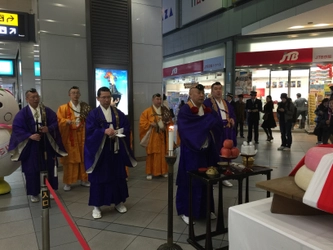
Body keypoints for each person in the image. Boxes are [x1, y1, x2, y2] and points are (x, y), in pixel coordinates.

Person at [84, 87, 136, 219]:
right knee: (99, 179)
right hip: (100, 153)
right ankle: (97, 206)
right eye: (103, 97)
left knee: (117, 177)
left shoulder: (118, 114)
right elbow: (90, 132)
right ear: (98, 98)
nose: (106, 100)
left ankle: (118, 202)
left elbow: (127, 127)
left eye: (108, 97)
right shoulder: (93, 114)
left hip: (115, 151)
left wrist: (117, 132)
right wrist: (103, 132)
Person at [8, 88, 67, 203]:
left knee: (49, 167)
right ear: (27, 99)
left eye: (37, 97)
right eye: (32, 97)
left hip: (46, 143)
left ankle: (51, 190)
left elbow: (55, 122)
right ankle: (34, 193)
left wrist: (48, 128)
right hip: (30, 146)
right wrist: (29, 136)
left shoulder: (46, 111)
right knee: (31, 169)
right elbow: (17, 128)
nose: (35, 99)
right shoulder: (22, 113)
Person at [176, 83, 219, 224]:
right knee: (190, 181)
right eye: (198, 93)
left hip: (205, 151)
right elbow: (186, 129)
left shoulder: (206, 109)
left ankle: (206, 210)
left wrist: (210, 120)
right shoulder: (185, 110)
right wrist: (206, 123)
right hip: (191, 151)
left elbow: (215, 123)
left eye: (202, 93)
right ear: (190, 94)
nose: (201, 95)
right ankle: (186, 211)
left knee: (206, 179)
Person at [57, 86, 91, 191]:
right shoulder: (63, 108)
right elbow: (58, 120)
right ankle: (68, 182)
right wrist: (65, 122)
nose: (75, 95)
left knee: (83, 158)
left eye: (77, 93)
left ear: (80, 95)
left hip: (83, 136)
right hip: (70, 137)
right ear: (69, 95)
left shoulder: (85, 107)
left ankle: (84, 179)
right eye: (73, 93)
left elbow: (90, 120)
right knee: (70, 160)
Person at [204, 82, 234, 187]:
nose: (218, 91)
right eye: (216, 89)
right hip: (215, 132)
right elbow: (208, 118)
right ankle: (214, 173)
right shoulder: (208, 103)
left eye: (220, 89)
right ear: (212, 91)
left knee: (227, 152)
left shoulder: (226, 103)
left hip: (227, 131)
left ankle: (225, 174)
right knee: (216, 152)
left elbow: (232, 114)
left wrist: (232, 120)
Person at [139, 93, 173, 180]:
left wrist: (167, 123)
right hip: (152, 137)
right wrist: (150, 124)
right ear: (153, 100)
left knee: (163, 153)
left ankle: (163, 171)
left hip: (163, 135)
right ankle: (150, 172)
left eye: (160, 99)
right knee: (152, 154)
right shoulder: (147, 111)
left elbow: (170, 120)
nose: (159, 101)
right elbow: (142, 123)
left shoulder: (164, 110)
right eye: (157, 99)